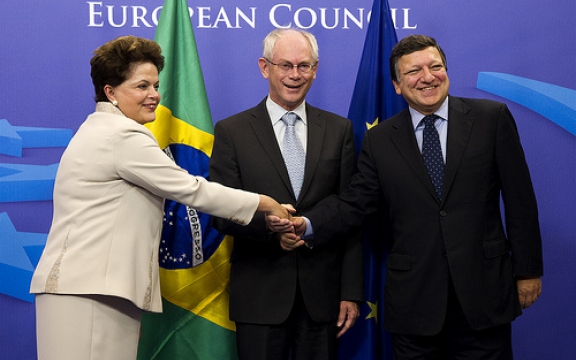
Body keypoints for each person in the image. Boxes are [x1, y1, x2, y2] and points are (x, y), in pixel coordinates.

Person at [269, 34, 543, 359]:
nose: (427, 77)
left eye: (435, 66)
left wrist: (527, 271)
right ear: (397, 86)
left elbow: (520, 201)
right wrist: (307, 223)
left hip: (484, 298)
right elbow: (355, 203)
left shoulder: (490, 119)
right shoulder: (381, 140)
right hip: (414, 305)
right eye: (413, 71)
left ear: (446, 71)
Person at [29, 35, 290, 360]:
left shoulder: (97, 129)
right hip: (91, 292)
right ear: (110, 92)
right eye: (141, 86)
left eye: (155, 85)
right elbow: (192, 189)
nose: (154, 95)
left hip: (88, 290)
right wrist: (264, 204)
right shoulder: (122, 135)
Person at [209, 28, 363, 360]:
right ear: (265, 67)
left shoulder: (339, 130)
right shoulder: (231, 131)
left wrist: (350, 291)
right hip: (259, 294)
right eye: (286, 65)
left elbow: (351, 210)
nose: (295, 75)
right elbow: (221, 212)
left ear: (315, 69)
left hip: (323, 297)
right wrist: (271, 230)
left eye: (304, 66)